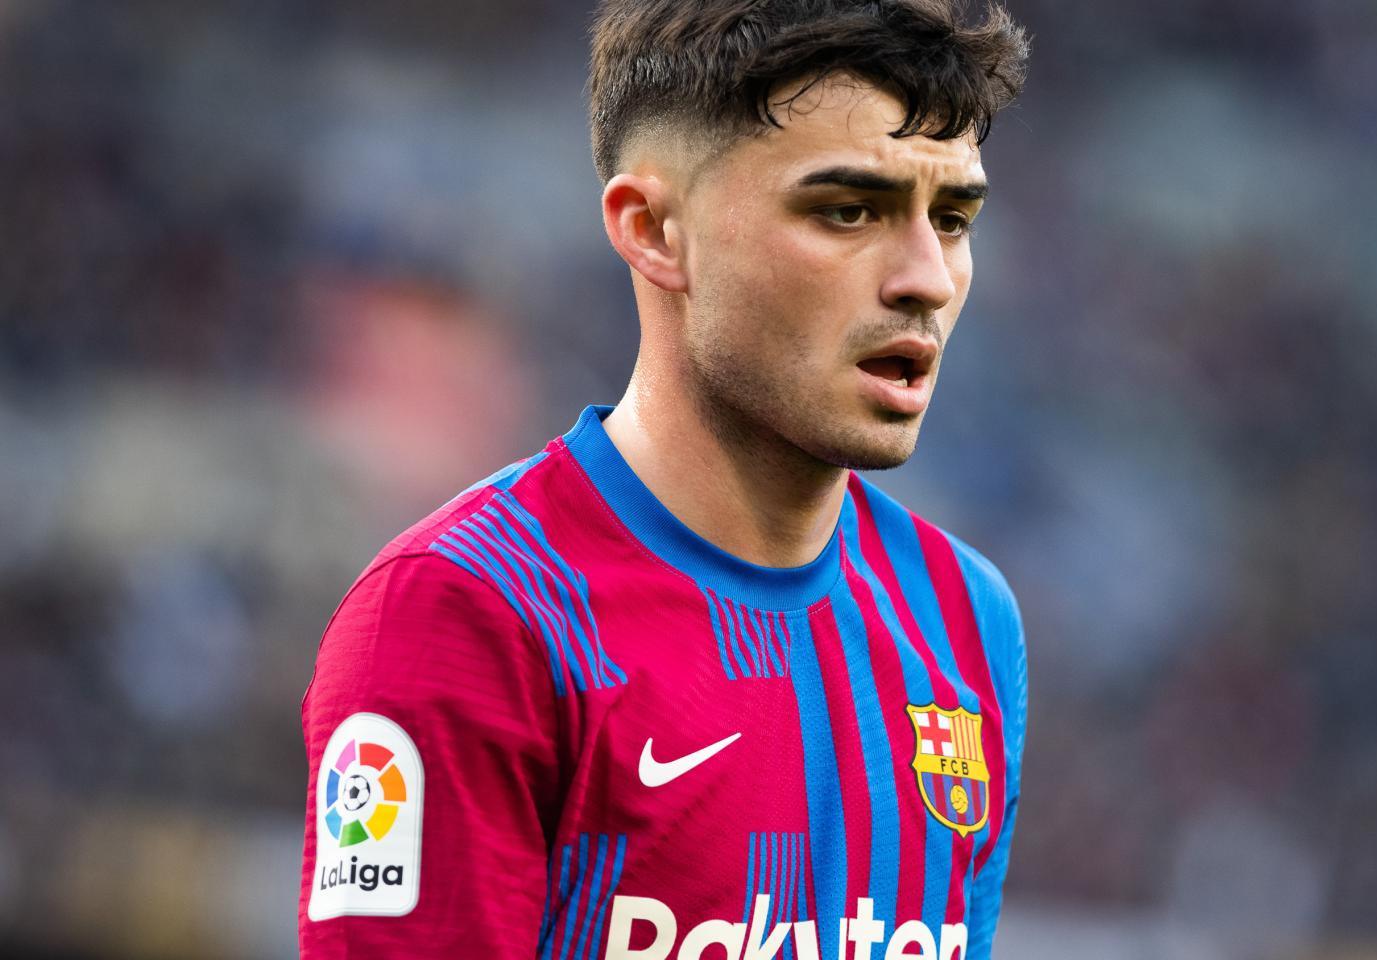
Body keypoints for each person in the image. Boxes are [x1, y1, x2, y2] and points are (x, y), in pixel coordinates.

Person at [297, 1, 1030, 957]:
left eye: (953, 218)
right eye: (847, 210)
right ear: (653, 231)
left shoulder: (966, 618)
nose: (926, 278)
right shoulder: (465, 612)